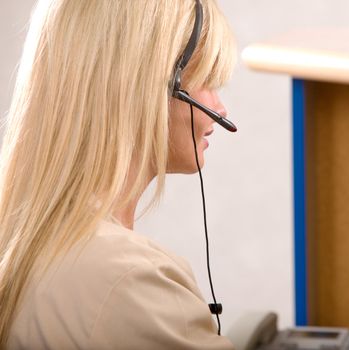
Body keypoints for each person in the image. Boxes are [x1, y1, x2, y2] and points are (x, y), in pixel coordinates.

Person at [0, 0, 237, 349]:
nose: (220, 109)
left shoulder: (25, 235)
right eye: (208, 82)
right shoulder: (131, 280)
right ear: (152, 87)